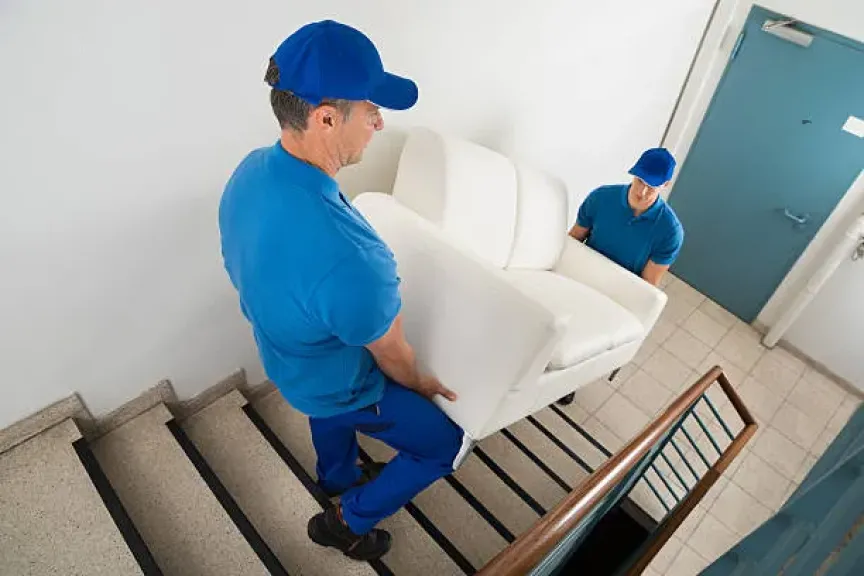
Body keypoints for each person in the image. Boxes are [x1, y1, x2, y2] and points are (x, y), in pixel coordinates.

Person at [219, 20, 465, 561]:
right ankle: (346, 521)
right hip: (339, 383)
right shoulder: (357, 261)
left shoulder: (249, 173)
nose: (380, 122)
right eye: (371, 109)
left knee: (324, 407)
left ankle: (336, 475)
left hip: (286, 360)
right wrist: (420, 384)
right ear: (327, 118)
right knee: (444, 447)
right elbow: (394, 358)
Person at [558, 148, 683, 406]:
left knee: (585, 346)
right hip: (580, 277)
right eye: (640, 181)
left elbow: (647, 287)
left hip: (616, 297)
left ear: (666, 185)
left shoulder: (670, 232)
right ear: (633, 174)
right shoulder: (601, 198)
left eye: (652, 187)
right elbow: (572, 242)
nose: (643, 192)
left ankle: (569, 382)